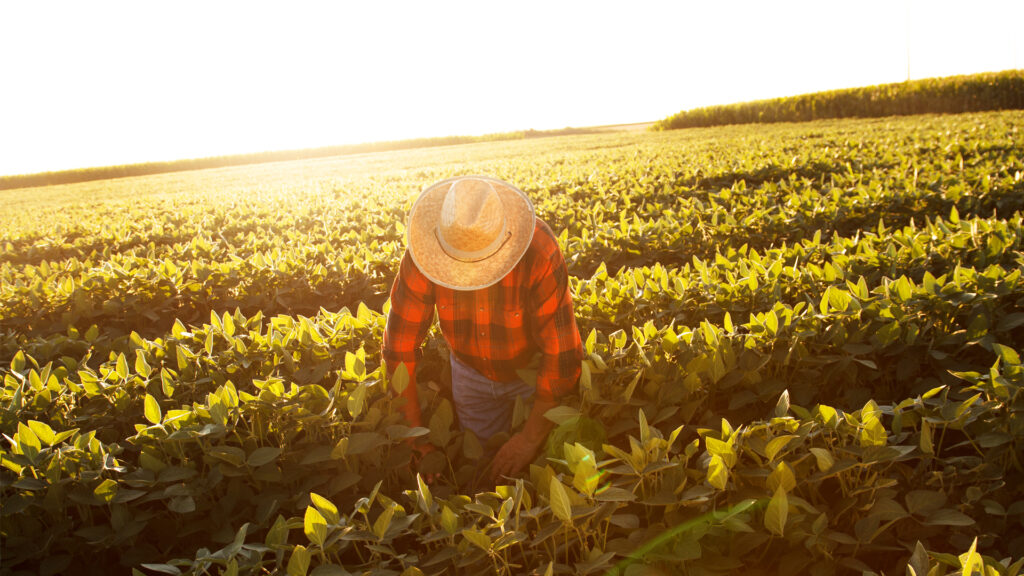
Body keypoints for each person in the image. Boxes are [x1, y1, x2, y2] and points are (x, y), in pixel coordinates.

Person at [382, 175, 583, 483]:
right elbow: (400, 347)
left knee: (541, 469)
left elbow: (561, 358)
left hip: (532, 372)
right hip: (469, 372)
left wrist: (529, 439)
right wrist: (413, 437)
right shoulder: (424, 253)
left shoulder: (538, 250)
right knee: (485, 471)